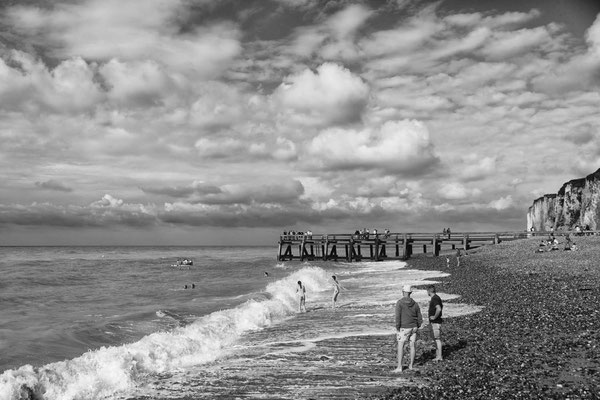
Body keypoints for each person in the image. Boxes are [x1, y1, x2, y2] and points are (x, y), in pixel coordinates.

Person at [394, 285, 423, 373]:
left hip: (404, 327)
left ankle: (399, 367)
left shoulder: (400, 303)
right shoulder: (415, 303)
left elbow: (398, 316)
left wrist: (397, 326)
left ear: (403, 292)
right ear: (410, 293)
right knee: (412, 346)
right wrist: (417, 325)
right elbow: (419, 316)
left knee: (401, 346)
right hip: (413, 326)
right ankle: (411, 365)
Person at [427, 285, 443, 361]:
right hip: (436, 322)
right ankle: (438, 355)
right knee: (436, 339)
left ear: (429, 291)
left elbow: (439, 309)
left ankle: (439, 356)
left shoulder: (435, 299)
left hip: (435, 322)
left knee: (437, 339)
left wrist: (434, 317)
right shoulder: (436, 298)